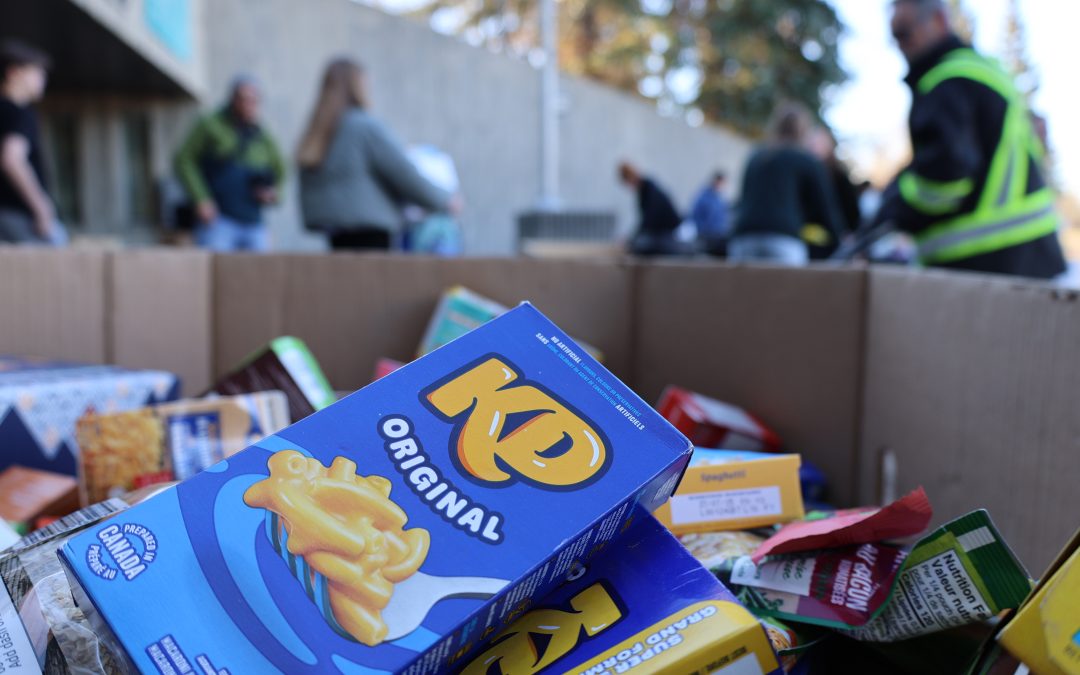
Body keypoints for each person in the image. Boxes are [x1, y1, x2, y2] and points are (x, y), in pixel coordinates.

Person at [873, 0, 1065, 279]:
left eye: (903, 33)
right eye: (893, 36)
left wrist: (892, 211)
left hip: (987, 265)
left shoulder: (947, 80)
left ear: (938, 21)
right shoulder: (982, 71)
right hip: (1029, 257)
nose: (899, 45)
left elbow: (945, 177)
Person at [297, 59, 452, 251]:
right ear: (357, 86)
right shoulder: (363, 127)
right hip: (372, 232)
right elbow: (403, 172)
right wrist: (444, 200)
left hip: (335, 232)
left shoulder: (319, 130)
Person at [174, 76, 285, 252]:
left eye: (254, 100)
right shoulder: (211, 125)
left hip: (253, 221)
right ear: (233, 99)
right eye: (243, 99)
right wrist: (201, 198)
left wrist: (273, 192)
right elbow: (184, 160)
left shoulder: (262, 135)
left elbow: (281, 168)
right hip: (219, 219)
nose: (249, 105)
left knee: (262, 274)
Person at [728, 103, 844, 266]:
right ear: (803, 129)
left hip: (743, 237)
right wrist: (840, 243)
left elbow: (742, 199)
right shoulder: (805, 159)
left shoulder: (756, 156)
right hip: (783, 239)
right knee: (788, 291)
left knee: (743, 291)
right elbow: (825, 208)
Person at [0, 40, 64, 245]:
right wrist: (41, 207)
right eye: (36, 72)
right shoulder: (20, 113)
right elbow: (12, 159)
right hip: (18, 214)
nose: (42, 79)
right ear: (14, 73)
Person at [618, 162, 682, 256]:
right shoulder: (645, 190)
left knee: (641, 246)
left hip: (668, 234)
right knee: (639, 244)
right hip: (662, 233)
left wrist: (631, 239)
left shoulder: (650, 192)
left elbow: (648, 222)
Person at [690, 171, 731, 256]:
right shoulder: (704, 197)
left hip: (718, 236)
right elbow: (695, 215)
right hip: (706, 237)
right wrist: (702, 230)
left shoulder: (719, 198)